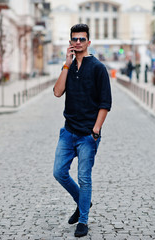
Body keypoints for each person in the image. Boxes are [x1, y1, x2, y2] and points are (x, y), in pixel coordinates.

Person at [53, 23, 112, 238]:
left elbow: (105, 102)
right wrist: (66, 65)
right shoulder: (68, 67)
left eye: (82, 39)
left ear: (88, 42)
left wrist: (95, 130)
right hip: (68, 132)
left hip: (88, 135)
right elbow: (58, 92)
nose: (78, 42)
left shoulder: (97, 68)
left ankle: (83, 220)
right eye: (74, 39)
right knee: (59, 172)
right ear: (70, 42)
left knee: (85, 178)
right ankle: (83, 201)